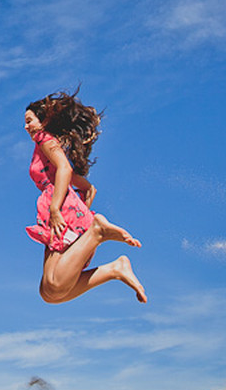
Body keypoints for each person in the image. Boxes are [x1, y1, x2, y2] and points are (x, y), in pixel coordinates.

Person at [24, 91, 147, 305]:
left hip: (57, 209)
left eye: (29, 121)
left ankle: (97, 231)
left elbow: (64, 169)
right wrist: (80, 216)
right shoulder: (46, 145)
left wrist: (55, 210)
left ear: (43, 120)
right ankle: (113, 269)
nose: (26, 127)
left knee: (54, 286)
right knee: (49, 293)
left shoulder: (44, 138)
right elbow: (89, 189)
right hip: (65, 210)